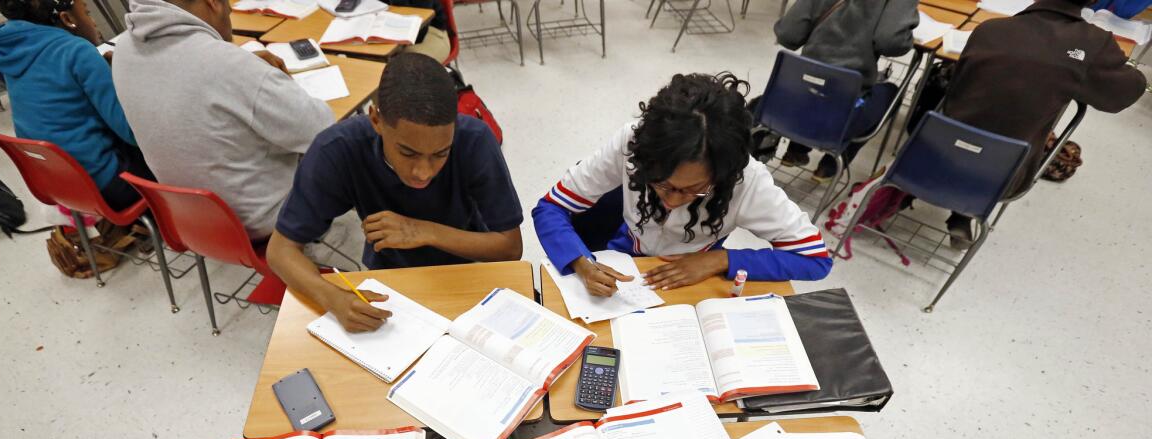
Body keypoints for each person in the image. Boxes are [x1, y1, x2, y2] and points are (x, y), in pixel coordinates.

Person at [268, 52, 523, 333]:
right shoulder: (337, 149)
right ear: (376, 120)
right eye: (408, 153)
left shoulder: (475, 140)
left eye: (441, 154)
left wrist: (424, 231)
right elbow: (281, 251)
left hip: (466, 263)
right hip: (389, 271)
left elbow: (509, 248)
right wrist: (333, 298)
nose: (423, 172)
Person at [532, 73, 832, 299]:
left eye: (694, 190)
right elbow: (551, 207)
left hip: (695, 272)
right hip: (625, 255)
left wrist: (721, 259)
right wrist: (579, 262)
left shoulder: (747, 179)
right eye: (661, 184)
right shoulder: (631, 142)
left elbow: (816, 259)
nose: (673, 202)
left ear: (723, 176)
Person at [113, 0, 334, 242]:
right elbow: (323, 130)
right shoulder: (229, 65)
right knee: (352, 141)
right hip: (265, 222)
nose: (230, 10)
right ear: (213, 3)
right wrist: (260, 76)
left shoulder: (123, 49)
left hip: (193, 220)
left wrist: (246, 67)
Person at [936, 0, 1147, 247]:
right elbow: (1123, 95)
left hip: (931, 155)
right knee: (1013, 124)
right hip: (1003, 177)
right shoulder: (1092, 44)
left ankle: (946, 203)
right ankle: (965, 213)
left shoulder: (989, 29)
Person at [0, 0, 153, 210]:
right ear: (68, 19)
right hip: (110, 186)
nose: (94, 22)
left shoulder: (12, 50)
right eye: (88, 13)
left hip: (61, 185)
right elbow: (133, 133)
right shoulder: (77, 50)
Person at [770, 0, 919, 181]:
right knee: (891, 94)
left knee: (818, 81)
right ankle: (831, 164)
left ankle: (796, 149)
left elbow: (788, 34)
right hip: (842, 115)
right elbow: (890, 42)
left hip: (791, 104)